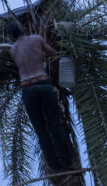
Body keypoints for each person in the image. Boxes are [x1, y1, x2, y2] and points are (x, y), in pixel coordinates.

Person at [9, 22, 75, 172]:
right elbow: (53, 53)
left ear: (11, 37)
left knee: (41, 130)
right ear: (23, 29)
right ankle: (68, 162)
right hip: (43, 84)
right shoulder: (36, 39)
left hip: (27, 89)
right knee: (55, 126)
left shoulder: (12, 50)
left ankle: (54, 166)